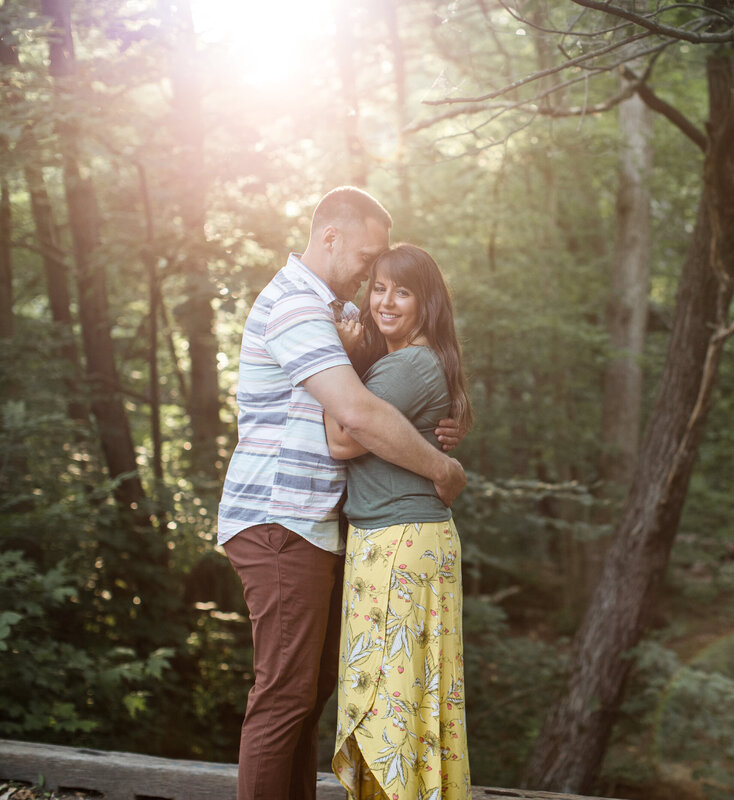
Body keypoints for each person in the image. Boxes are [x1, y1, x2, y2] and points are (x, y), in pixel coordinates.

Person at [217, 188, 466, 800]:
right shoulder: (297, 307)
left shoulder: (331, 310)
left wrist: (437, 415)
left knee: (306, 695)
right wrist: (440, 465)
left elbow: (394, 375)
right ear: (329, 237)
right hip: (281, 519)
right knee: (285, 695)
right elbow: (354, 415)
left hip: (314, 524)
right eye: (366, 256)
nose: (371, 272)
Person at [324, 244, 473, 800]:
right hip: (395, 539)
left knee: (391, 702)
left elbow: (343, 436)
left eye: (402, 291)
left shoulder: (410, 364)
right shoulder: (399, 363)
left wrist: (331, 360)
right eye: (379, 287)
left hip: (399, 543)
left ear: (426, 303)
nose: (385, 301)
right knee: (406, 698)